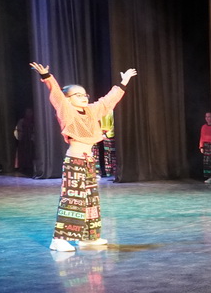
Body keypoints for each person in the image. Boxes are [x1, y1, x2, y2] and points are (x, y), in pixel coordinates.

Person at [31, 61, 137, 252]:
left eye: (84, 94)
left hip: (89, 161)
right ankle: (59, 239)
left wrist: (123, 82)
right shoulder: (67, 111)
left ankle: (89, 238)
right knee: (73, 199)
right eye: (77, 95)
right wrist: (47, 77)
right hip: (75, 162)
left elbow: (108, 101)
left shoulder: (91, 111)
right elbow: (57, 96)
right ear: (68, 99)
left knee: (90, 200)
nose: (83, 97)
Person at [199, 112, 211, 184]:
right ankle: (210, 177)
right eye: (206, 117)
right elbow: (202, 137)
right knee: (207, 162)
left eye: (209, 116)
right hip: (206, 146)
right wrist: (201, 146)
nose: (207, 118)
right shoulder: (204, 127)